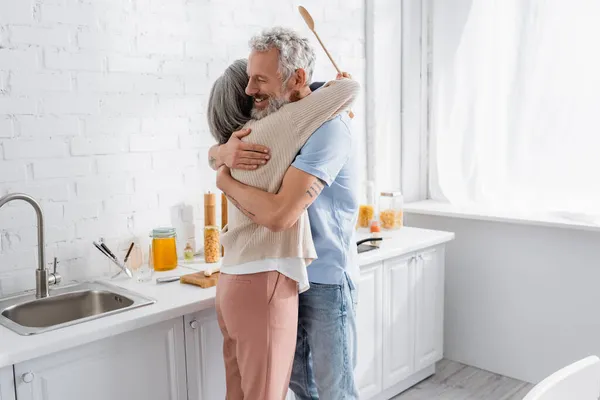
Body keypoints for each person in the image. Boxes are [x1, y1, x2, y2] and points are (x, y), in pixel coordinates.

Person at [209, 27, 361, 399]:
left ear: (297, 78)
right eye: (249, 78)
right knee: (301, 388)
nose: (250, 90)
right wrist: (219, 155)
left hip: (324, 277)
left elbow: (280, 215)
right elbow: (219, 148)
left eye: (261, 79)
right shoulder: (276, 124)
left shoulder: (329, 130)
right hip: (286, 275)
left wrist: (224, 181)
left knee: (333, 392)